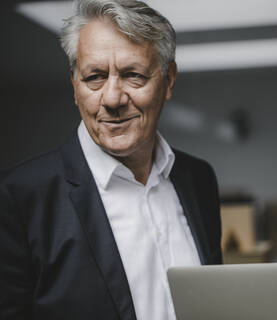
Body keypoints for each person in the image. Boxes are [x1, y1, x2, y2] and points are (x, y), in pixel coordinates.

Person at [0, 1, 222, 319]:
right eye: (95, 77)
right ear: (75, 85)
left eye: (133, 75)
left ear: (168, 79)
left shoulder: (198, 179)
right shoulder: (19, 198)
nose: (113, 98)